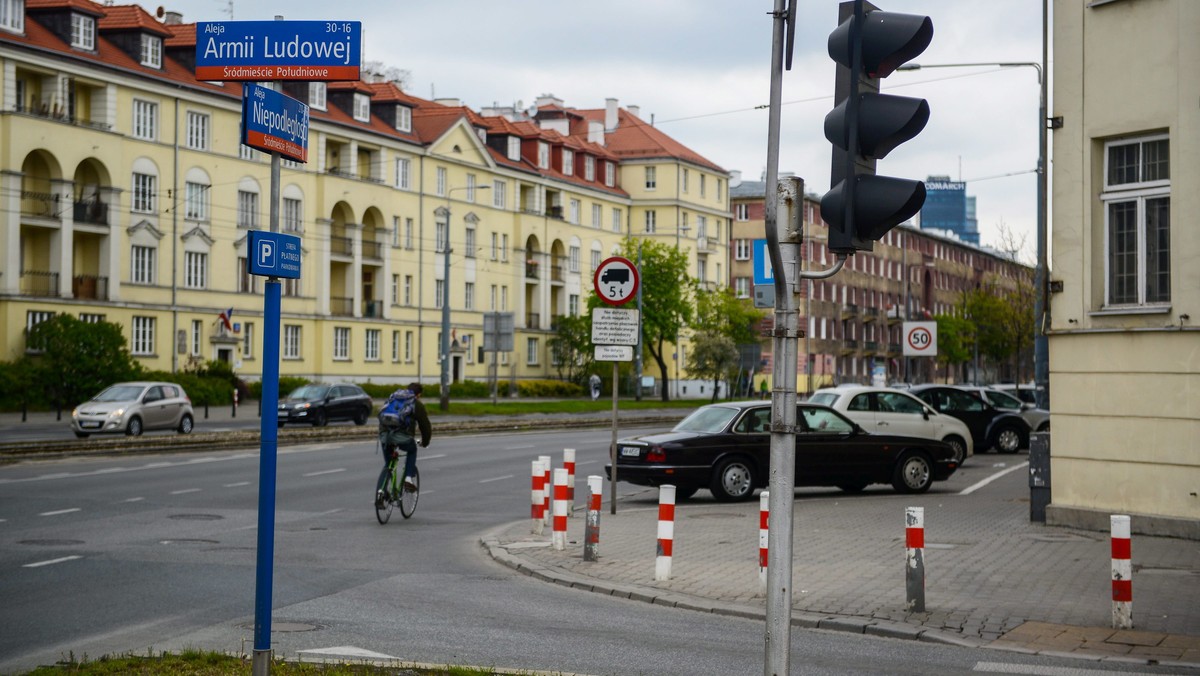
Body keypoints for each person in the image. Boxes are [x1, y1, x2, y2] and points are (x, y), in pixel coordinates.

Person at [376, 382, 432, 503]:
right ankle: (408, 478)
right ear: (418, 395)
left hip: (385, 435)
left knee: (388, 464)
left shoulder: (393, 398)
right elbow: (425, 426)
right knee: (412, 450)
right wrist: (425, 442)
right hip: (402, 437)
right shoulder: (416, 404)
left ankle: (380, 492)